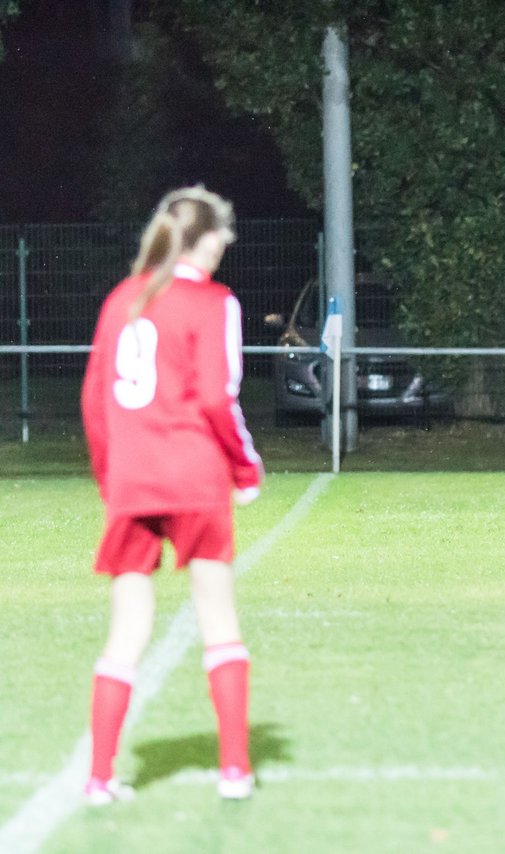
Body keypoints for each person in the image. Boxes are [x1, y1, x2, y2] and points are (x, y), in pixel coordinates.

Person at [80, 186, 264, 803]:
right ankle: (235, 771)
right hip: (194, 474)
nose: (227, 244)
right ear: (202, 238)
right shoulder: (214, 302)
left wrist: (114, 481)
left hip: (133, 477)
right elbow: (218, 397)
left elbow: (93, 404)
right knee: (218, 617)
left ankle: (100, 779)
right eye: (222, 234)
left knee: (127, 626)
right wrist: (245, 469)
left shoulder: (120, 300)